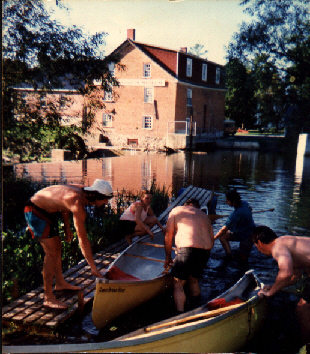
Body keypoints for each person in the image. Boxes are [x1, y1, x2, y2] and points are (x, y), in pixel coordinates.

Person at [24, 179, 113, 309]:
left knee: (57, 248)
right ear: (96, 195)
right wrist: (93, 268)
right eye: (104, 199)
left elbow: (64, 204)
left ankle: (60, 283)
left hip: (49, 210)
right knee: (51, 253)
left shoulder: (83, 191)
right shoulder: (77, 201)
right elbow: (82, 239)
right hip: (34, 211)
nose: (106, 202)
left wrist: (67, 226)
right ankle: (48, 298)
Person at [252, 226, 310, 344]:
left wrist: (270, 292)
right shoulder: (285, 241)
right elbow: (294, 276)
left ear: (259, 242)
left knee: (302, 309)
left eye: (256, 246)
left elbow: (286, 273)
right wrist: (274, 287)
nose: (258, 250)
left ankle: (307, 346)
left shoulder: (277, 248)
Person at [164, 198, 214, 312]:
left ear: (185, 205)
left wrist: (168, 257)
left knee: (178, 284)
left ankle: (179, 314)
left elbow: (168, 235)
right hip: (205, 251)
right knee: (194, 280)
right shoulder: (205, 216)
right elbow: (211, 240)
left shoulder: (176, 210)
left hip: (188, 249)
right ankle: (196, 309)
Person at [214, 190, 255, 264]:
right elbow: (250, 209)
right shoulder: (245, 203)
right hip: (243, 231)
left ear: (233, 201)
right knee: (223, 236)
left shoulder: (235, 214)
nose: (226, 202)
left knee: (243, 259)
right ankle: (230, 256)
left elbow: (223, 229)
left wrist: (213, 238)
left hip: (248, 235)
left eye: (227, 200)